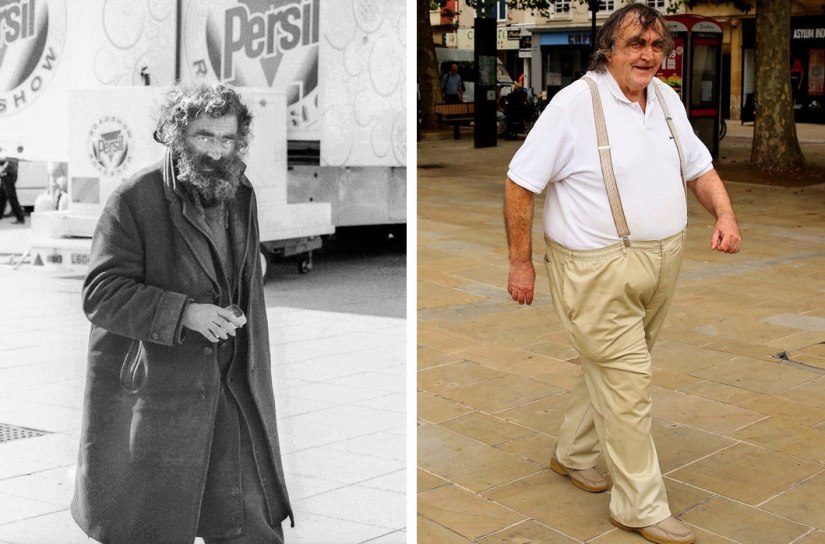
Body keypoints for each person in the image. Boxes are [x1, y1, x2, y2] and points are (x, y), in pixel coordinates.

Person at [504, 5, 741, 544]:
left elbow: (698, 167)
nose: (648, 55)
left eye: (657, 46)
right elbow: (520, 182)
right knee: (629, 385)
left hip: (662, 261)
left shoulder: (666, 99)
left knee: (613, 371)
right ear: (608, 49)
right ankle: (639, 506)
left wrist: (725, 215)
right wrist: (521, 262)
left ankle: (572, 452)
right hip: (596, 269)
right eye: (636, 43)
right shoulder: (574, 104)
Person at [72, 84, 293, 543]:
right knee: (154, 523)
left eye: (227, 139)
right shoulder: (135, 198)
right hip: (161, 393)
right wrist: (185, 313)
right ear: (176, 134)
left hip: (232, 389)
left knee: (246, 522)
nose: (216, 151)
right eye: (204, 136)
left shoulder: (239, 192)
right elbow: (100, 293)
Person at [0, 157, 25, 224]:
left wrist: (3, 170)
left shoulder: (10, 155)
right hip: (7, 175)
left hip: (8, 175)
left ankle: (20, 218)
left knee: (12, 197)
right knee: (2, 197)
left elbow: (10, 163)